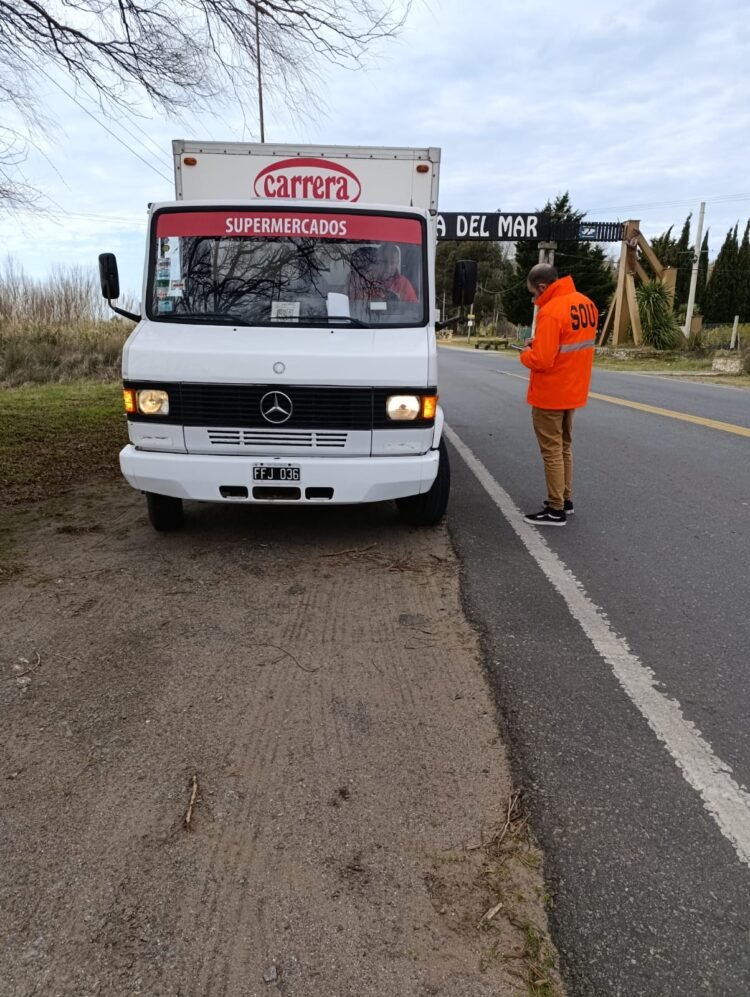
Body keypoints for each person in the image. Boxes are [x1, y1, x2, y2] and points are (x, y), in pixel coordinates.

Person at [519, 263, 598, 527]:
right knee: (564, 446)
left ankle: (555, 509)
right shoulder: (585, 304)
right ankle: (565, 498)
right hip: (573, 389)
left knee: (551, 450)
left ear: (543, 286)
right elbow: (566, 346)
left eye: (534, 294)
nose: (535, 300)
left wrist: (524, 353)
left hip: (550, 392)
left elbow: (541, 360)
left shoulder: (551, 311)